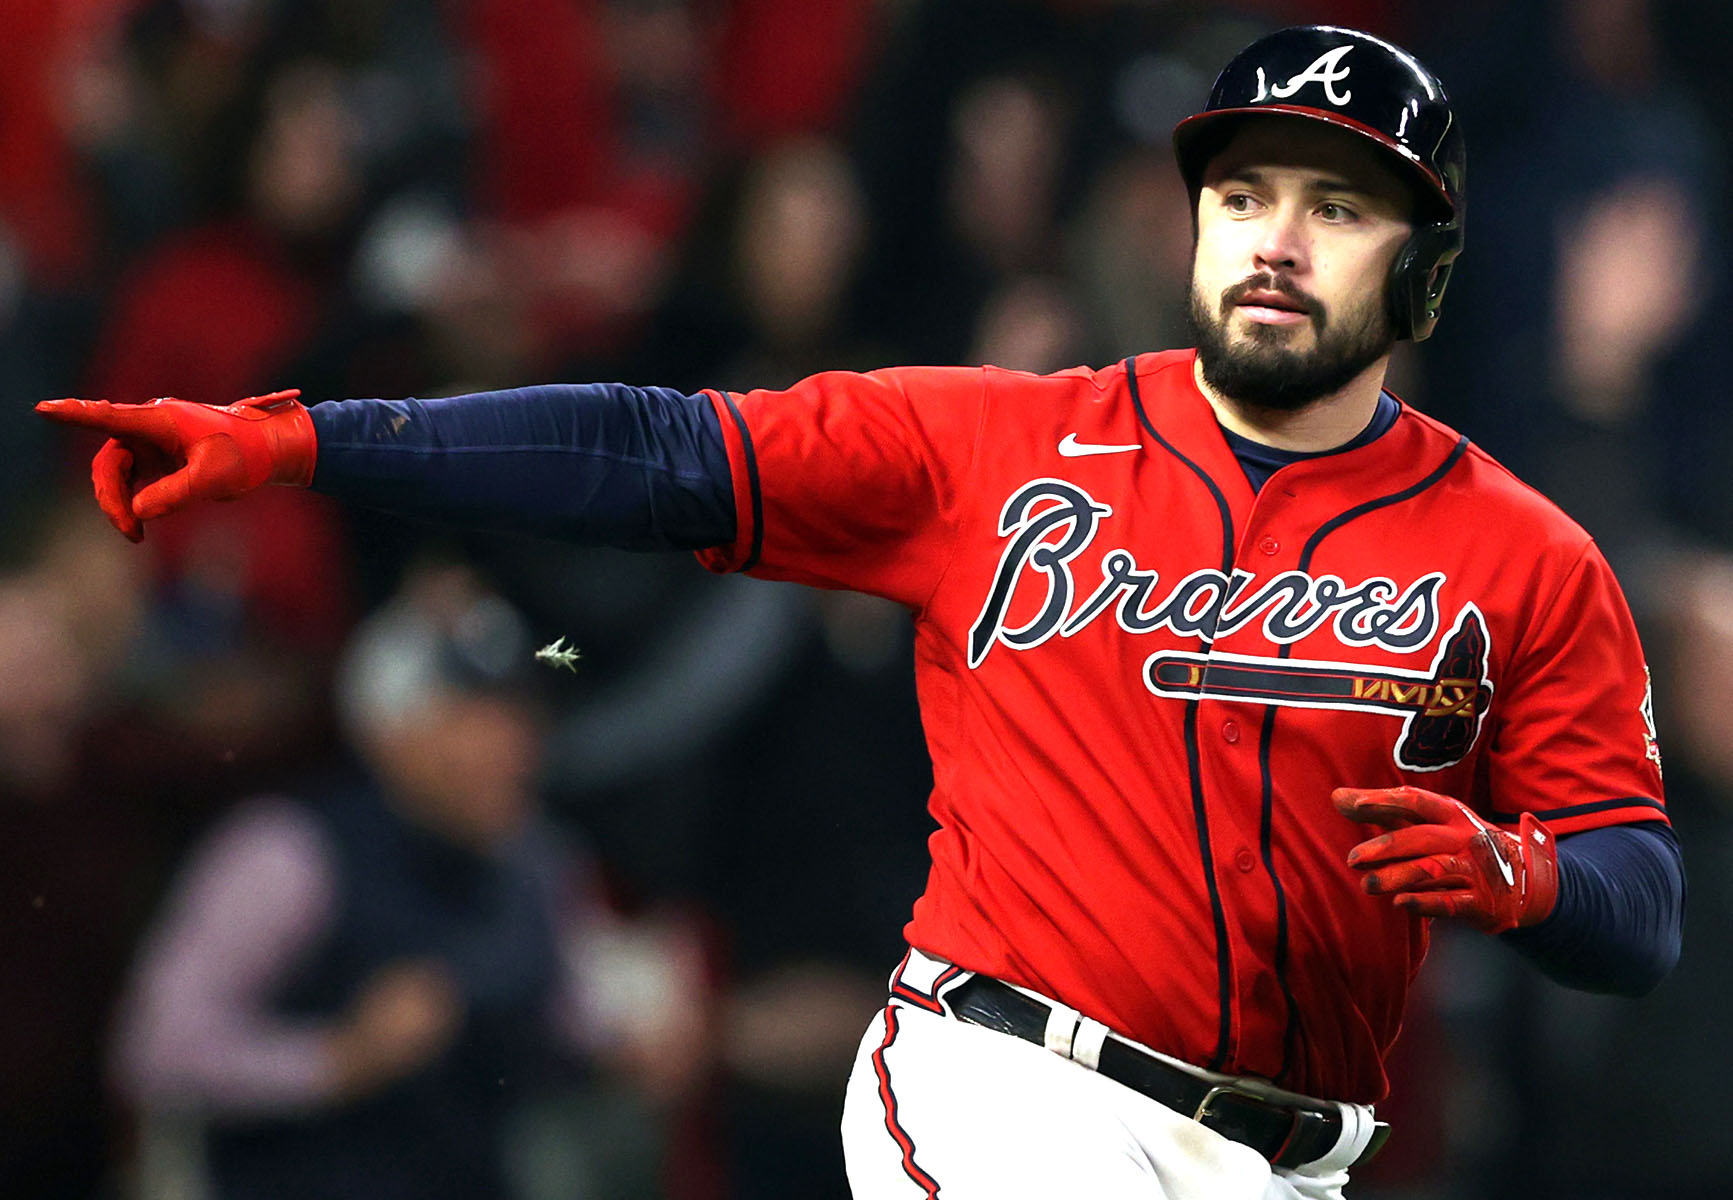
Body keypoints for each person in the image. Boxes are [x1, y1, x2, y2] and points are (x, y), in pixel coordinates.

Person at [42, 26, 1685, 1200]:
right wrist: (305, 440)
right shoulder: (993, 442)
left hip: (1289, 1154)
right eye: (1244, 192)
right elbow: (657, 447)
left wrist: (1521, 871)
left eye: (1337, 208)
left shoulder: (1522, 557)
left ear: (1425, 270)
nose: (1274, 240)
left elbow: (1638, 899)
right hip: (1004, 1090)